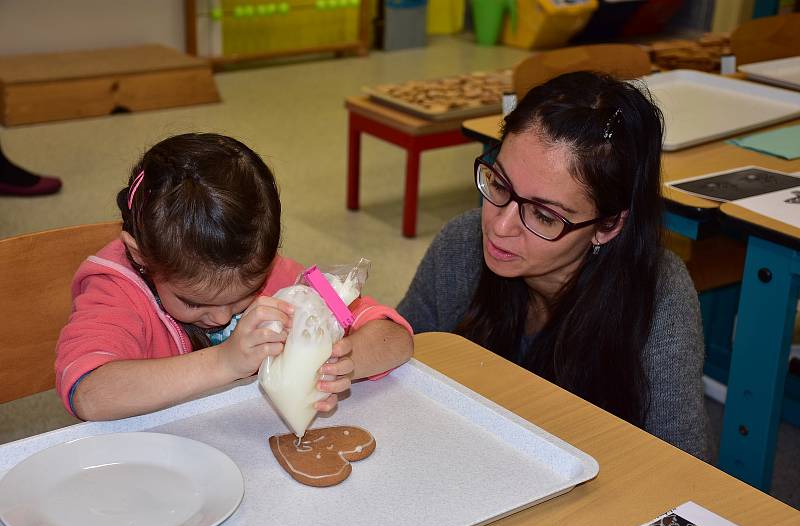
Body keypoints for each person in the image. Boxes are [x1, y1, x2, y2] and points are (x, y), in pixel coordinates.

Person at [398, 71, 708, 460]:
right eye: (499, 185)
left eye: (544, 215)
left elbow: (682, 469)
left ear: (608, 227)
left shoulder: (658, 298)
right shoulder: (462, 244)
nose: (499, 225)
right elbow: (401, 366)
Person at [56, 133, 413, 421]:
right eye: (194, 301)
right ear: (139, 255)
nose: (222, 317)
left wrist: (341, 364)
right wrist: (224, 361)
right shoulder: (116, 288)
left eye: (247, 293)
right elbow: (88, 393)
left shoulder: (281, 277)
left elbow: (394, 336)